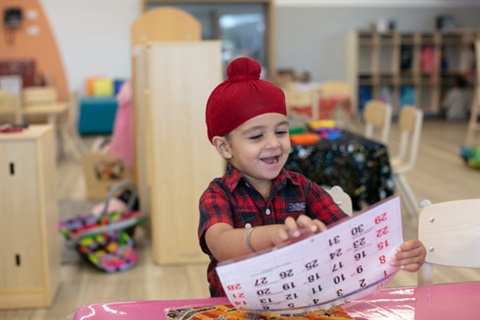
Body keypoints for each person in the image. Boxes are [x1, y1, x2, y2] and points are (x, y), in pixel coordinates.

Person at [198, 57, 426, 297]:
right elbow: (220, 244)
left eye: (281, 132)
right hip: (233, 310)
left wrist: (399, 251)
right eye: (256, 136)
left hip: (303, 306)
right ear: (224, 147)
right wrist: (275, 236)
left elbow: (348, 237)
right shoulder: (217, 194)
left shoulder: (302, 188)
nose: (274, 143)